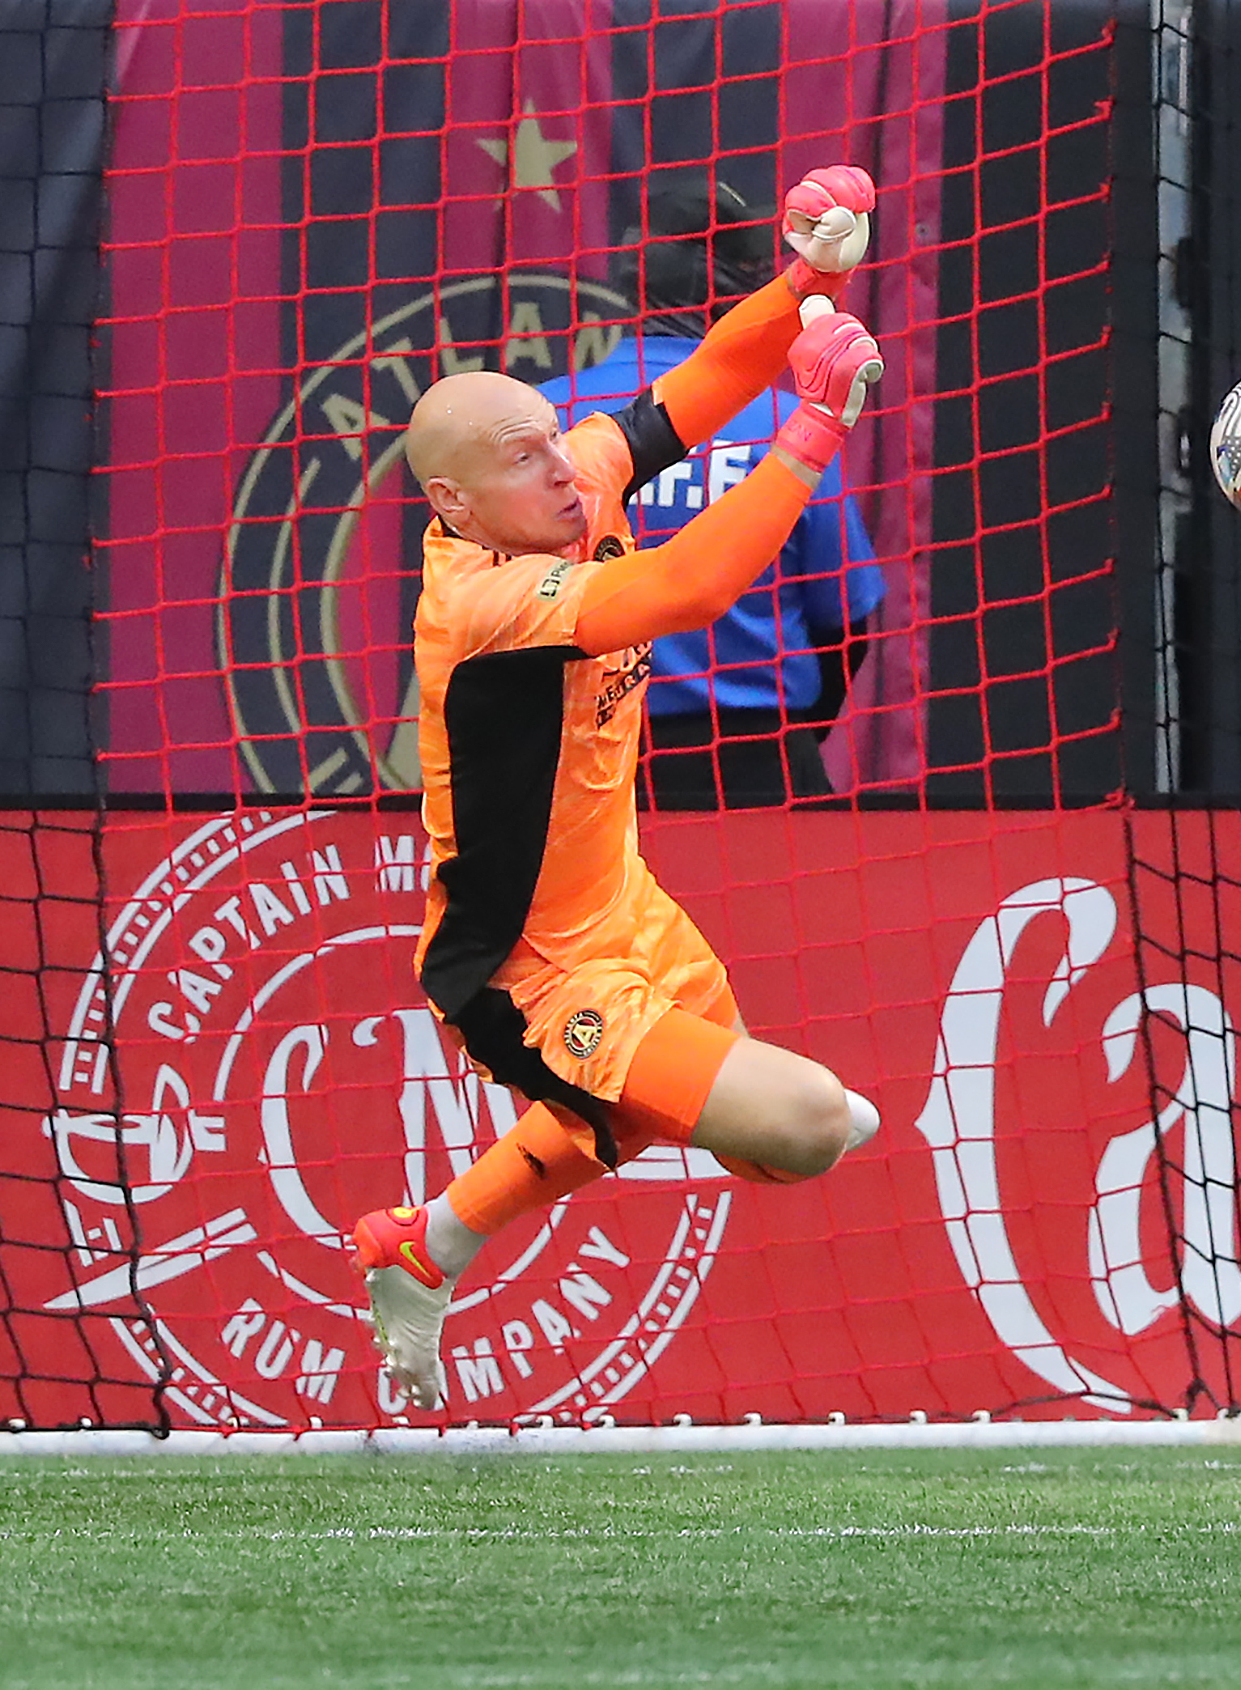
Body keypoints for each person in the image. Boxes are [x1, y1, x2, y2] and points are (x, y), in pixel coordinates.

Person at [351, 166, 890, 1411]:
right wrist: (810, 431)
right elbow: (688, 593)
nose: (565, 471)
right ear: (451, 504)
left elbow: (703, 379)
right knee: (808, 1127)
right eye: (523, 459)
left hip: (627, 907)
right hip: (524, 966)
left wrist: (807, 275)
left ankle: (422, 1245)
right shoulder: (483, 599)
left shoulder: (564, 482)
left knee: (721, 1122)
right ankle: (431, 1242)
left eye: (555, 439)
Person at [540, 175, 882, 805]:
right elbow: (845, 622)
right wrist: (795, 735)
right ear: (735, 285)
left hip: (579, 765)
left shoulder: (542, 420)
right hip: (757, 762)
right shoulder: (788, 421)